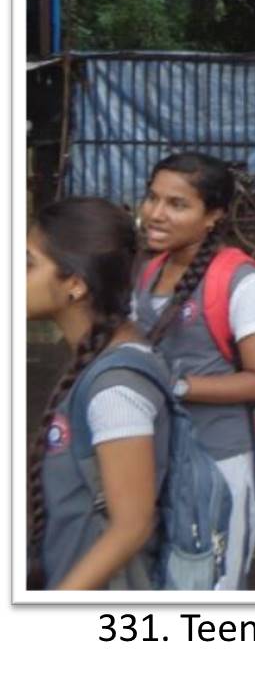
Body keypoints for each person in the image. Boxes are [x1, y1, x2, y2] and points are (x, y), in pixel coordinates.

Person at [133, 152, 255, 590]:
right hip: (157, 457)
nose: (156, 213)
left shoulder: (241, 282)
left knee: (212, 586)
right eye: (152, 198)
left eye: (177, 204)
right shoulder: (150, 271)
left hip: (220, 462)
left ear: (212, 216)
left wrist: (174, 385)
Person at [27, 198, 168, 590]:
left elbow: (132, 527)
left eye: (27, 264)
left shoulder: (115, 390)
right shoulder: (102, 355)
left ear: (75, 284)